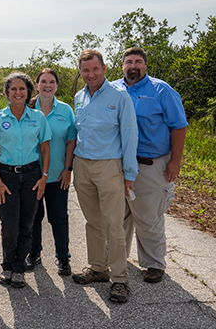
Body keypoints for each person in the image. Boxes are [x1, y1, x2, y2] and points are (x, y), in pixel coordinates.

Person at [113, 47, 188, 283]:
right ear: (122, 65)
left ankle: (154, 263)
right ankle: (117, 257)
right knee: (119, 214)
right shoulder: (112, 89)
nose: (133, 66)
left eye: (138, 61)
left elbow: (179, 126)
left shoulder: (162, 90)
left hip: (150, 164)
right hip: (117, 163)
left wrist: (175, 161)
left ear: (145, 65)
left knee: (148, 217)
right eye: (128, 61)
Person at [71, 49, 138, 303]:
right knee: (93, 221)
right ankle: (98, 268)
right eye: (85, 70)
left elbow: (130, 135)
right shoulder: (79, 97)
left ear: (104, 68)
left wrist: (129, 173)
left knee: (113, 224)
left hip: (109, 166)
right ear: (81, 71)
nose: (90, 74)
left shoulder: (120, 97)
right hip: (82, 165)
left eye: (95, 69)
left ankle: (119, 279)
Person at [0, 72, 51, 288]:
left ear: (28, 91)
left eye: (22, 89)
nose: (18, 92)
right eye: (13, 89)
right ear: (7, 93)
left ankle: (20, 268)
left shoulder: (38, 118)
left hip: (32, 175)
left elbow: (45, 149)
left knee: (26, 225)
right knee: (9, 224)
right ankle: (7, 266)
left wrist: (43, 177)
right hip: (7, 177)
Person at [25, 69, 76, 276]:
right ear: (36, 85)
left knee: (59, 217)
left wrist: (67, 168)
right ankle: (33, 252)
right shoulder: (26, 109)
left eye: (52, 82)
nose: (47, 85)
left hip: (57, 174)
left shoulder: (66, 111)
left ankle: (63, 257)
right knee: (34, 217)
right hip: (31, 174)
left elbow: (71, 140)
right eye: (43, 81)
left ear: (57, 86)